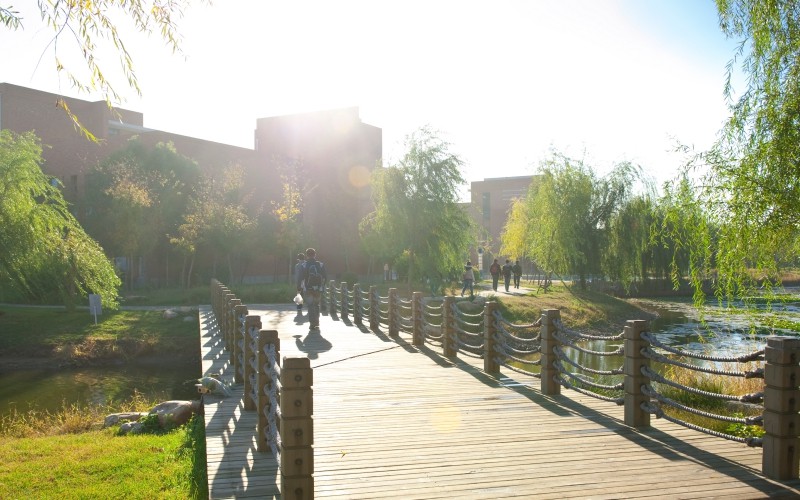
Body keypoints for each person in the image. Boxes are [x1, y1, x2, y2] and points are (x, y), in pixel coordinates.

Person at [297, 248, 327, 331]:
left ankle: (312, 324)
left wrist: (299, 288)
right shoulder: (320, 264)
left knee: (310, 306)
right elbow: (325, 277)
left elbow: (300, 278)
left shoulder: (304, 265)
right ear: (315, 254)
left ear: (307, 256)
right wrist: (322, 286)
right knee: (316, 305)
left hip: (308, 288)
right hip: (318, 288)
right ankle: (317, 322)